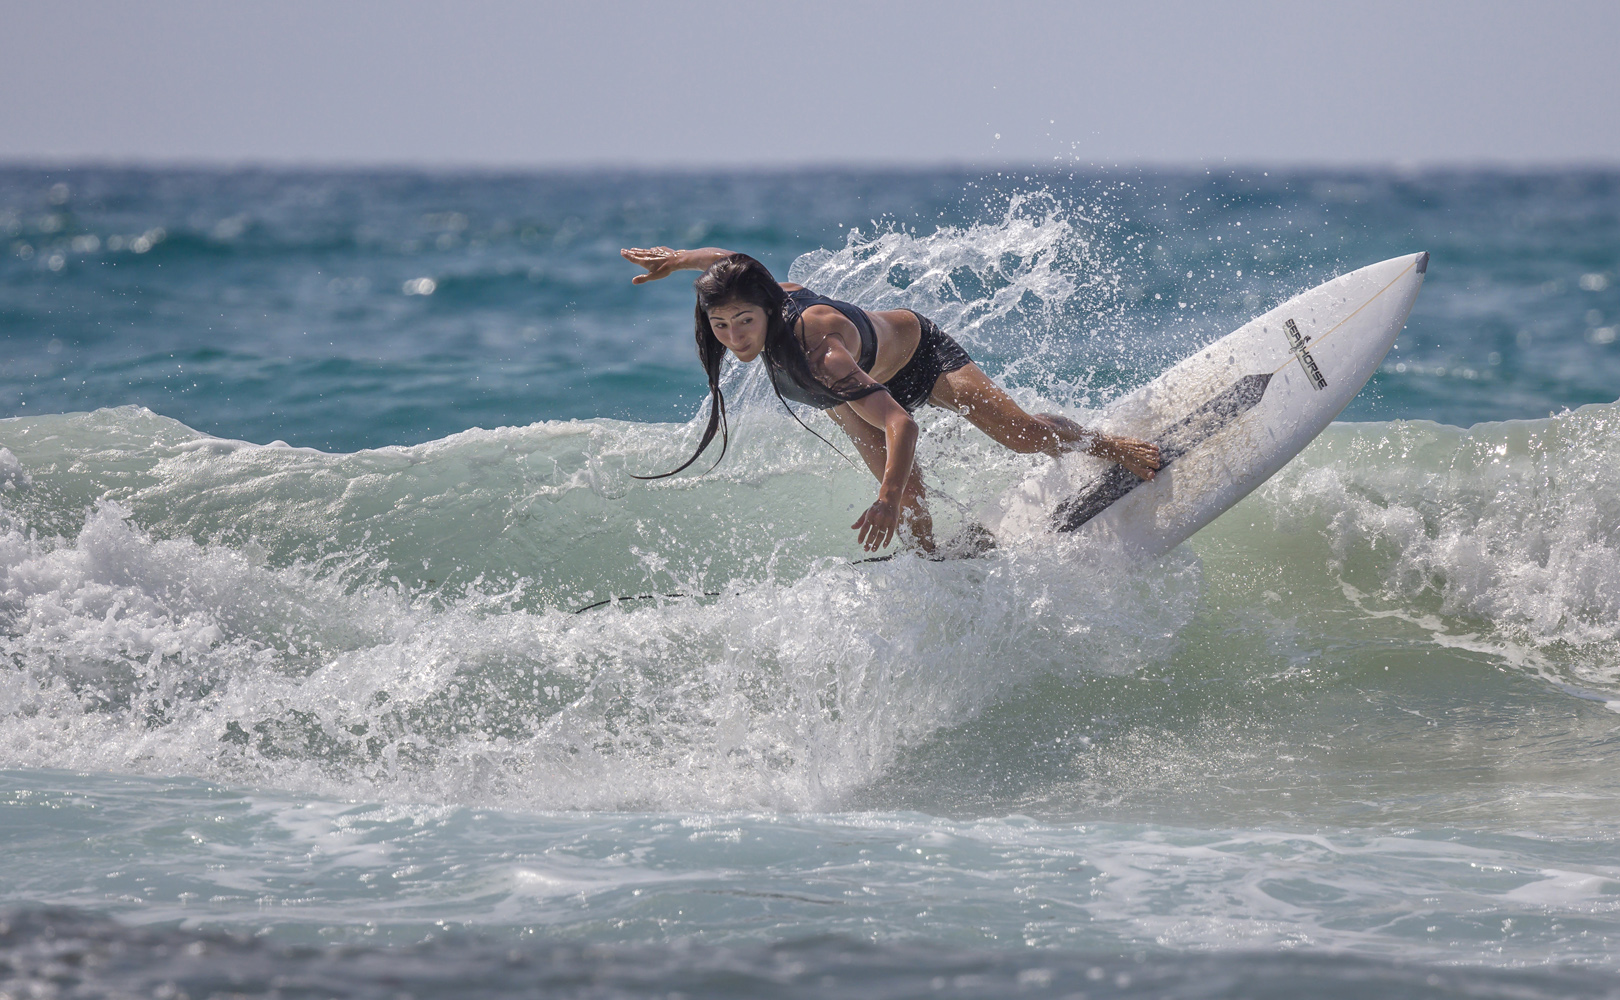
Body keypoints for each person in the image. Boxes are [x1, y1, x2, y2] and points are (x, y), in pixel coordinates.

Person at [621, 246, 1161, 553]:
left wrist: (882, 497)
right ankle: (936, 565)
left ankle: (1105, 444)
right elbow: (733, 259)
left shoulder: (822, 353)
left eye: (744, 322)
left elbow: (902, 424)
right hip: (846, 397)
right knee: (911, 507)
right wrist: (681, 261)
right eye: (720, 325)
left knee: (1021, 437)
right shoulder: (757, 298)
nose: (735, 336)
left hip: (918, 359)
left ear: (764, 310)